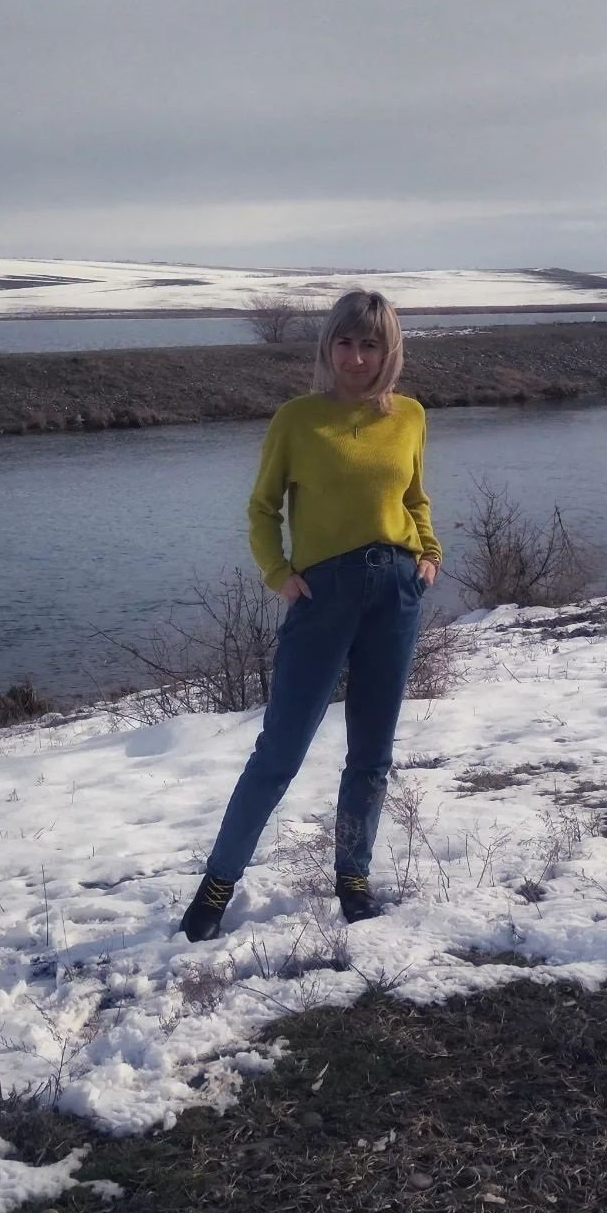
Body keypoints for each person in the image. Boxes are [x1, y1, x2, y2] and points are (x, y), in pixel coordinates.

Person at [180, 289, 441, 943]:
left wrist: (428, 554)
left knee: (372, 754)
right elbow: (262, 508)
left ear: (389, 351)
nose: (356, 358)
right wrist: (279, 574)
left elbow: (414, 497)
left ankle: (353, 879)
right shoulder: (297, 420)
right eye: (345, 343)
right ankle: (217, 885)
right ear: (328, 347)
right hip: (323, 597)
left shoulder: (409, 416)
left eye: (370, 345)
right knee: (280, 750)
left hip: (395, 593)